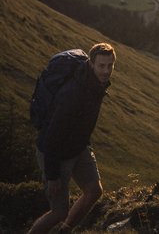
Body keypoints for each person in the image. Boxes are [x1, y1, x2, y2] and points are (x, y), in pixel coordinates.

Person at [27, 43, 116, 234]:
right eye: (101, 65)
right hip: (54, 154)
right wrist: (53, 176)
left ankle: (65, 230)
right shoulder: (74, 93)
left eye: (110, 65)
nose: (106, 71)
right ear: (91, 64)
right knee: (58, 212)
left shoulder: (94, 84)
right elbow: (52, 135)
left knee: (94, 190)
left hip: (78, 147)